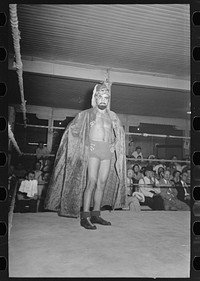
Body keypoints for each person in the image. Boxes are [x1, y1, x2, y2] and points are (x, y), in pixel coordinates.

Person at [44, 82, 127, 230]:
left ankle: (96, 214)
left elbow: (119, 134)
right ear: (95, 97)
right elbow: (73, 131)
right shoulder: (87, 114)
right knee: (91, 182)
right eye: (100, 97)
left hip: (106, 152)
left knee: (102, 183)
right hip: (93, 151)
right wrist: (86, 144)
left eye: (106, 97)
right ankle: (85, 216)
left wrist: (115, 143)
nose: (103, 100)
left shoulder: (113, 116)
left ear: (108, 99)